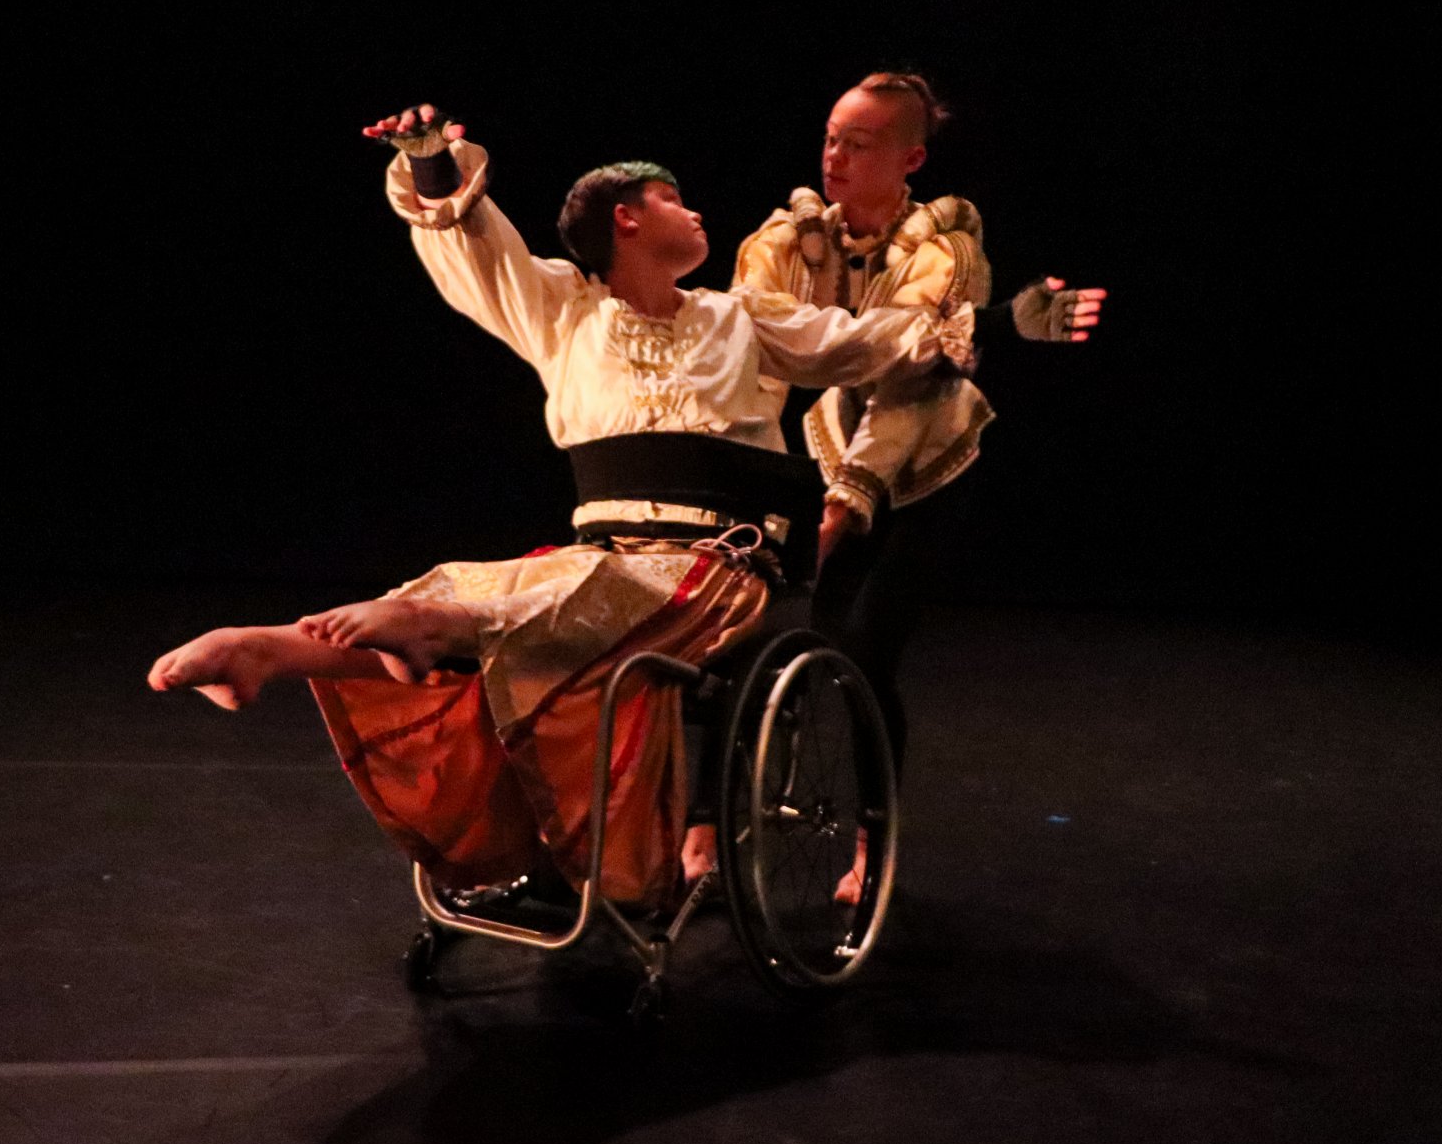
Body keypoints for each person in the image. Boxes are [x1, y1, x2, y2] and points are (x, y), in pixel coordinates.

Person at [147, 106, 979, 913]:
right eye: (676, 200)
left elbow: (871, 340)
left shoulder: (742, 318)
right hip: (606, 555)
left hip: (715, 570)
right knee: (474, 582)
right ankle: (267, 650)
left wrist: (986, 325)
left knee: (533, 602)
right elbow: (481, 254)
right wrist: (434, 162)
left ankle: (427, 629)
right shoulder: (566, 315)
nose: (697, 213)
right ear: (627, 218)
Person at [708, 71, 1108, 896]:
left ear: (910, 157)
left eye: (858, 143)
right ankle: (710, 828)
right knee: (760, 637)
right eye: (830, 137)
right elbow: (754, 344)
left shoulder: (946, 249)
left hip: (925, 464)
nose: (835, 155)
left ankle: (869, 841)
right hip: (830, 449)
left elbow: (908, 382)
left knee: (863, 652)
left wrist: (848, 499)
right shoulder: (790, 238)